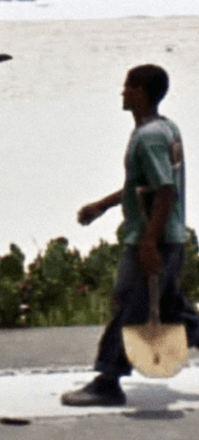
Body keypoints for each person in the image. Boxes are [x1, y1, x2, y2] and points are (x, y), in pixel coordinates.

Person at [62, 64, 199, 407]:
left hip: (153, 238)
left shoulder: (150, 136)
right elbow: (144, 184)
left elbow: (164, 189)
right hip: (169, 237)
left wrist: (149, 242)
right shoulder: (164, 129)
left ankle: (108, 380)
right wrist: (104, 206)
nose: (122, 93)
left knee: (127, 306)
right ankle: (109, 376)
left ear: (141, 92)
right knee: (171, 310)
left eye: (127, 87)